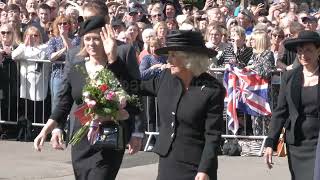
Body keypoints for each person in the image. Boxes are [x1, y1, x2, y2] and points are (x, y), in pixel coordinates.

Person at [34, 16, 143, 180]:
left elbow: (135, 98)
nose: (91, 43)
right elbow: (63, 104)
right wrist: (46, 130)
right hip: (81, 140)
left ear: (106, 40)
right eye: (87, 39)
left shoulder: (116, 67)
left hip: (109, 139)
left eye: (96, 39)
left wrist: (113, 57)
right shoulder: (77, 69)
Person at [107, 29, 225, 180]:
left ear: (189, 58)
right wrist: (113, 59)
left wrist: (205, 169)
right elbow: (133, 86)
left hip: (197, 164)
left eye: (173, 55)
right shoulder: (165, 78)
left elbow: (213, 135)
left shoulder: (212, 89)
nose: (168, 61)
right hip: (168, 161)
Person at [264, 30, 320, 180]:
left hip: (317, 143)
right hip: (296, 143)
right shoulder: (290, 77)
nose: (303, 55)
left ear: (318, 50)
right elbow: (280, 112)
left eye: (308, 50)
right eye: (300, 51)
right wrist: (270, 142)